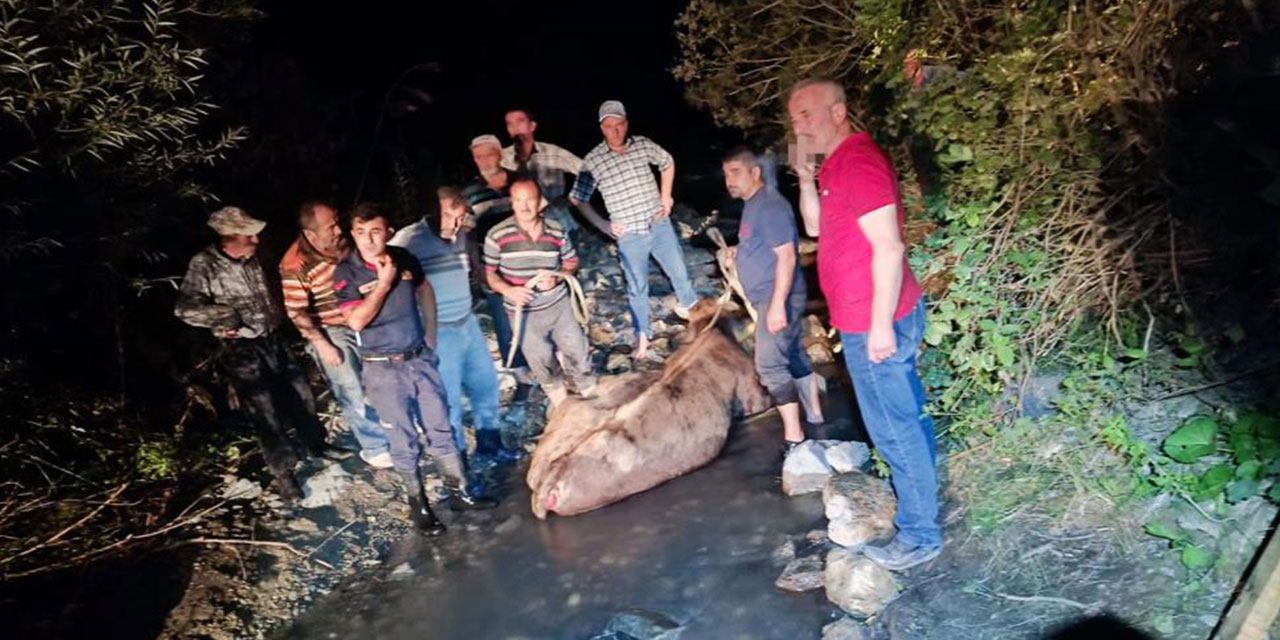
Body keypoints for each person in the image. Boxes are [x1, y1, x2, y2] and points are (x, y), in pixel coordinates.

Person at [788, 78, 940, 570]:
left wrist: (878, 327)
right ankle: (927, 497)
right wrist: (804, 176)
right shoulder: (835, 166)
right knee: (907, 415)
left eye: (806, 115)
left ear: (838, 112)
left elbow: (890, 248)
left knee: (893, 429)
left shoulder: (858, 163)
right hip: (868, 318)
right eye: (793, 119)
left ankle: (920, 535)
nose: (798, 126)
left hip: (878, 320)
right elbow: (815, 228)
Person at [333, 204, 496, 536]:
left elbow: (424, 289)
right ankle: (419, 506)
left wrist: (431, 334)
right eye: (361, 232)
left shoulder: (403, 257)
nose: (368, 239)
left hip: (419, 359)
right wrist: (383, 283)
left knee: (441, 427)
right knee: (402, 438)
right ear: (352, 234)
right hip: (383, 370)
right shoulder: (346, 273)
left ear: (388, 232)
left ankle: (459, 493)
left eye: (375, 231)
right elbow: (356, 320)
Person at [175, 206, 350, 502]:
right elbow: (184, 309)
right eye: (249, 236)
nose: (256, 241)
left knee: (301, 394)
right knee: (264, 411)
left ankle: (317, 445)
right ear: (230, 237)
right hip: (241, 348)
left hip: (273, 338)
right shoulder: (204, 264)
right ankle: (284, 475)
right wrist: (222, 317)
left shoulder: (254, 256)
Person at [390, 187, 518, 463]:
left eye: (460, 217)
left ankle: (490, 444)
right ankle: (458, 462)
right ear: (434, 211)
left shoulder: (461, 234)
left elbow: (470, 260)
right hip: (439, 331)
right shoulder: (408, 240)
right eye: (450, 216)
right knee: (447, 401)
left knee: (486, 385)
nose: (456, 224)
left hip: (468, 322)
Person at [569, 100, 699, 361]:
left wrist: (666, 196)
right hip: (630, 236)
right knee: (637, 287)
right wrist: (603, 225)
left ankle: (698, 323)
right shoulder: (593, 160)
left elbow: (667, 162)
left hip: (658, 224)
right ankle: (643, 338)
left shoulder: (642, 144)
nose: (615, 130)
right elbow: (577, 198)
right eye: (609, 126)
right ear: (602, 128)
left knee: (680, 274)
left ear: (626, 124)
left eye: (619, 124)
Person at [721, 147, 826, 454]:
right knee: (793, 355)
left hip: (776, 296)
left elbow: (788, 255)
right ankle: (816, 421)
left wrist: (778, 304)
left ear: (755, 173)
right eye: (727, 174)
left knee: (769, 366)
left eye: (736, 172)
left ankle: (795, 440)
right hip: (773, 295)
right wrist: (741, 252)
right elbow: (764, 244)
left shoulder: (769, 206)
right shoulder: (754, 205)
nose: (730, 180)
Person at [279, 201, 392, 469]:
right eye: (331, 226)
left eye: (337, 222)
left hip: (365, 318)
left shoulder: (342, 244)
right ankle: (375, 446)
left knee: (382, 379)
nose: (339, 230)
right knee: (350, 387)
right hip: (332, 330)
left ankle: (395, 428)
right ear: (310, 233)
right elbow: (296, 311)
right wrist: (322, 344)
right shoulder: (295, 264)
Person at [485, 177, 596, 408]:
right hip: (523, 312)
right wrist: (509, 290)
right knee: (542, 363)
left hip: (558, 306)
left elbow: (571, 262)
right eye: (519, 201)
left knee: (579, 353)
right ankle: (564, 411)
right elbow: (490, 275)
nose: (525, 207)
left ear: (540, 202)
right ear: (512, 203)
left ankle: (595, 404)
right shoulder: (496, 235)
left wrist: (558, 276)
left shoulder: (556, 229)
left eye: (530, 200)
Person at [463, 134, 536, 403]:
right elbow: (468, 234)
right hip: (494, 269)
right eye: (478, 156)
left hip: (528, 263)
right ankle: (522, 378)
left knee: (540, 317)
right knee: (505, 326)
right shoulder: (470, 192)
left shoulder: (520, 181)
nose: (484, 161)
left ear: (499, 154)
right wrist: (476, 268)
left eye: (489, 154)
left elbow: (539, 218)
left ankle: (550, 369)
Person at [500, 108, 583, 234]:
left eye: (520, 121)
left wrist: (574, 197)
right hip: (520, 227)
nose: (515, 127)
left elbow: (588, 171)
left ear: (532, 126)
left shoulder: (553, 153)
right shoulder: (503, 158)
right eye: (509, 124)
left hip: (558, 222)